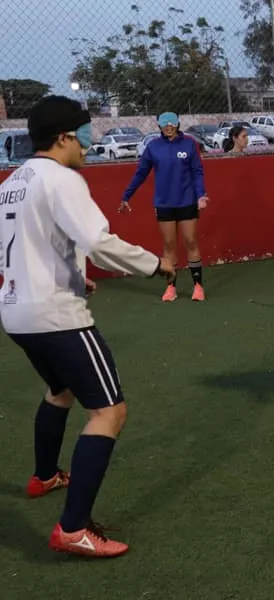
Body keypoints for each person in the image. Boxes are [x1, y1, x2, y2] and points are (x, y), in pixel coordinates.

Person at [0, 95, 174, 557]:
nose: (89, 138)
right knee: (109, 412)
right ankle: (74, 528)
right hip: (55, 315)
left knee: (60, 390)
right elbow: (98, 241)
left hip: (17, 311)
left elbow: (31, 245)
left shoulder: (13, 181)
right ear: (63, 137)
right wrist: (156, 265)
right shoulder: (63, 178)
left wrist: (75, 279)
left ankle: (44, 477)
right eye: (83, 130)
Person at [119, 111, 209, 302]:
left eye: (172, 123)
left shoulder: (189, 144)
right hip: (164, 204)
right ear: (159, 126)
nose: (168, 126)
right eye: (164, 123)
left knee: (191, 242)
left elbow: (197, 171)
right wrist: (127, 196)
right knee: (169, 246)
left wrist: (201, 195)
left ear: (178, 124)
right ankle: (171, 287)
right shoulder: (153, 147)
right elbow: (140, 173)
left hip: (187, 201)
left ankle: (198, 286)